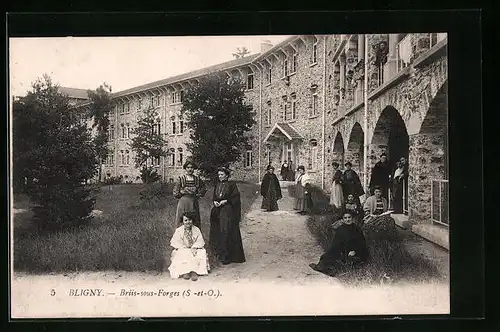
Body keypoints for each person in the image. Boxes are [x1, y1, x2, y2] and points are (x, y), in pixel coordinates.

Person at [309, 211, 369, 277]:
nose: (347, 219)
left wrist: (355, 251)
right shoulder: (340, 229)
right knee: (326, 258)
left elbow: (362, 243)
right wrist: (343, 252)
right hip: (343, 252)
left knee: (355, 260)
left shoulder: (357, 229)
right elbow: (335, 244)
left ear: (352, 218)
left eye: (349, 217)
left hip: (356, 252)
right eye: (345, 218)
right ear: (343, 219)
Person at [209, 167, 246, 265]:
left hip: (227, 210)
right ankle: (218, 253)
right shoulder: (217, 184)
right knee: (217, 230)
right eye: (219, 175)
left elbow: (235, 198)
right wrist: (215, 201)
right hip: (217, 211)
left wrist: (227, 201)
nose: (220, 177)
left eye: (222, 174)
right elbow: (214, 196)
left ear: (227, 175)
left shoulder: (232, 185)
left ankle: (227, 256)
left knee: (226, 230)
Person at [168, 211, 209, 281]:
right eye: (186, 220)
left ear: (192, 220)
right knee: (183, 253)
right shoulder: (179, 230)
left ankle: (194, 271)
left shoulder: (196, 229)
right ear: (183, 221)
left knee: (202, 252)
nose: (188, 222)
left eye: (190, 220)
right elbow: (176, 241)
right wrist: (183, 247)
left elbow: (200, 240)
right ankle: (185, 272)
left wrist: (194, 247)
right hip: (183, 248)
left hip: (194, 248)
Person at [173, 160, 207, 228]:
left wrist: (198, 195)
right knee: (182, 220)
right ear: (185, 168)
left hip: (193, 202)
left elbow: (204, 188)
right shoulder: (181, 179)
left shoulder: (197, 179)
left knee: (194, 220)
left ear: (194, 168)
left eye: (191, 167)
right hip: (183, 202)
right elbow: (175, 192)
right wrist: (181, 194)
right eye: (188, 167)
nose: (190, 169)